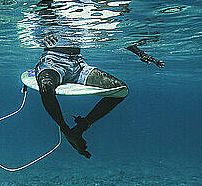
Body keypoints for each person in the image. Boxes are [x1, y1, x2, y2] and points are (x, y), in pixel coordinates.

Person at [35, 35, 163, 158]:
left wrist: (141, 53)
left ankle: (79, 128)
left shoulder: (87, 14)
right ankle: (66, 131)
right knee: (46, 88)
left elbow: (115, 34)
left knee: (121, 91)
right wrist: (41, 38)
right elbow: (28, 31)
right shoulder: (47, 15)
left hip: (78, 65)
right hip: (51, 62)